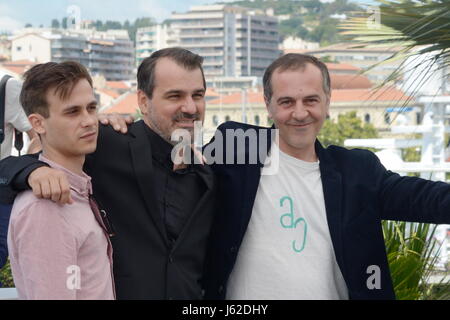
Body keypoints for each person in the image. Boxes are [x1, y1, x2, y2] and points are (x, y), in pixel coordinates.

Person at [202, 53, 450, 300]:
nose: (300, 114)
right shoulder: (235, 152)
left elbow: (427, 199)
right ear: (268, 104)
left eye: (310, 100)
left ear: (327, 101)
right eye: (287, 102)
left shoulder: (357, 172)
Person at [0, 48, 217, 300]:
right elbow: (40, 156)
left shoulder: (209, 174)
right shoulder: (105, 142)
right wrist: (33, 171)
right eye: (175, 96)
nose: (190, 107)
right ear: (143, 102)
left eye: (198, 95)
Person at [7, 61, 115, 299]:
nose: (88, 120)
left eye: (91, 108)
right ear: (38, 123)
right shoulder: (45, 208)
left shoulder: (77, 188)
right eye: (72, 112)